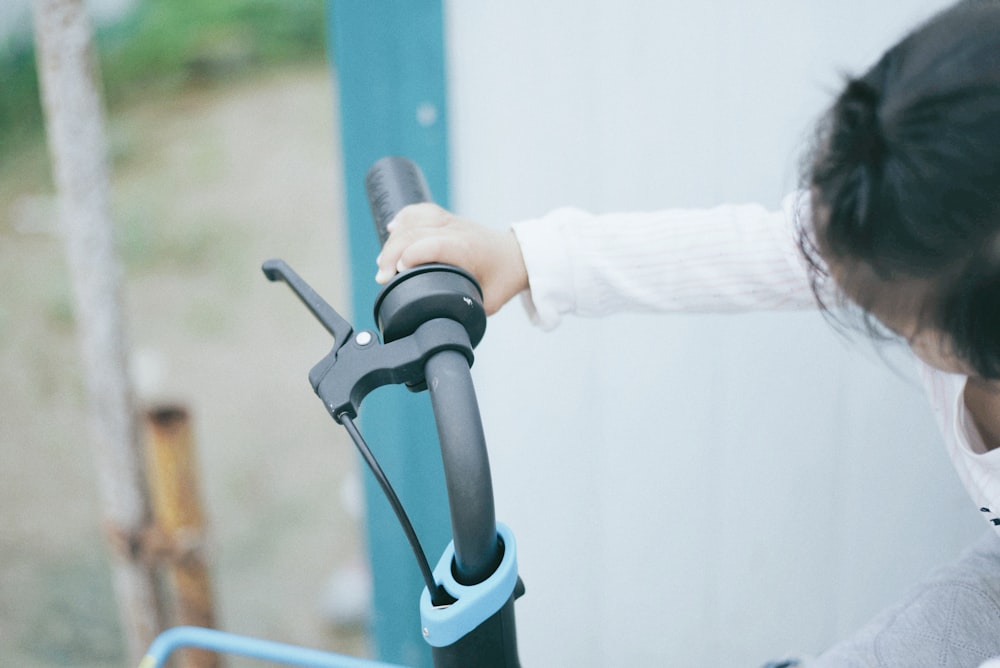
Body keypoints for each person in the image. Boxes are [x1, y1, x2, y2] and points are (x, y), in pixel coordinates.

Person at [376, 2, 1000, 666]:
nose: (828, 276)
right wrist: (527, 256)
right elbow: (760, 250)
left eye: (892, 320)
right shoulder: (930, 220)